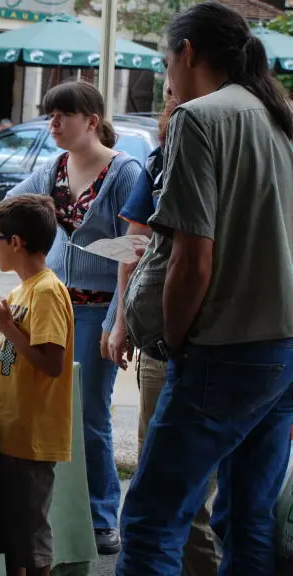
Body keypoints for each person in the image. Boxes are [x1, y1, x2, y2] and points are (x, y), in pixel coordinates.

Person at [116, 3, 293, 574]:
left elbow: (194, 261)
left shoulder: (200, 119)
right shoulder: (280, 116)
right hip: (283, 351)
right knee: (248, 517)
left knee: (150, 520)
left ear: (187, 52)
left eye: (167, 60)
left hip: (224, 350)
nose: (167, 77)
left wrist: (170, 339)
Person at [6, 80, 143, 555]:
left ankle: (104, 516)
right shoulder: (54, 169)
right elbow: (8, 209)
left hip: (98, 310)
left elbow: (136, 250)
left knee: (88, 415)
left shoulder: (124, 171)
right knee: (53, 412)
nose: (53, 124)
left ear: (91, 119)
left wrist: (118, 319)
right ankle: (64, 512)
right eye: (49, 116)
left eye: (62, 115)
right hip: (55, 306)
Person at [106, 84, 221, 576]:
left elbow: (180, 262)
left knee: (173, 492)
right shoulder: (157, 163)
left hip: (197, 346)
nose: (169, 99)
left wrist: (143, 329)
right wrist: (122, 323)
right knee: (184, 484)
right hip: (181, 346)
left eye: (176, 91)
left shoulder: (205, 152)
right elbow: (134, 249)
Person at [0, 194, 75, 576]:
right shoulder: (21, 292)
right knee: (11, 538)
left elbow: (52, 363)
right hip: (5, 432)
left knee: (30, 542)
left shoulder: (47, 291)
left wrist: (6, 327)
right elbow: (12, 362)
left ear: (15, 242)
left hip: (29, 438)